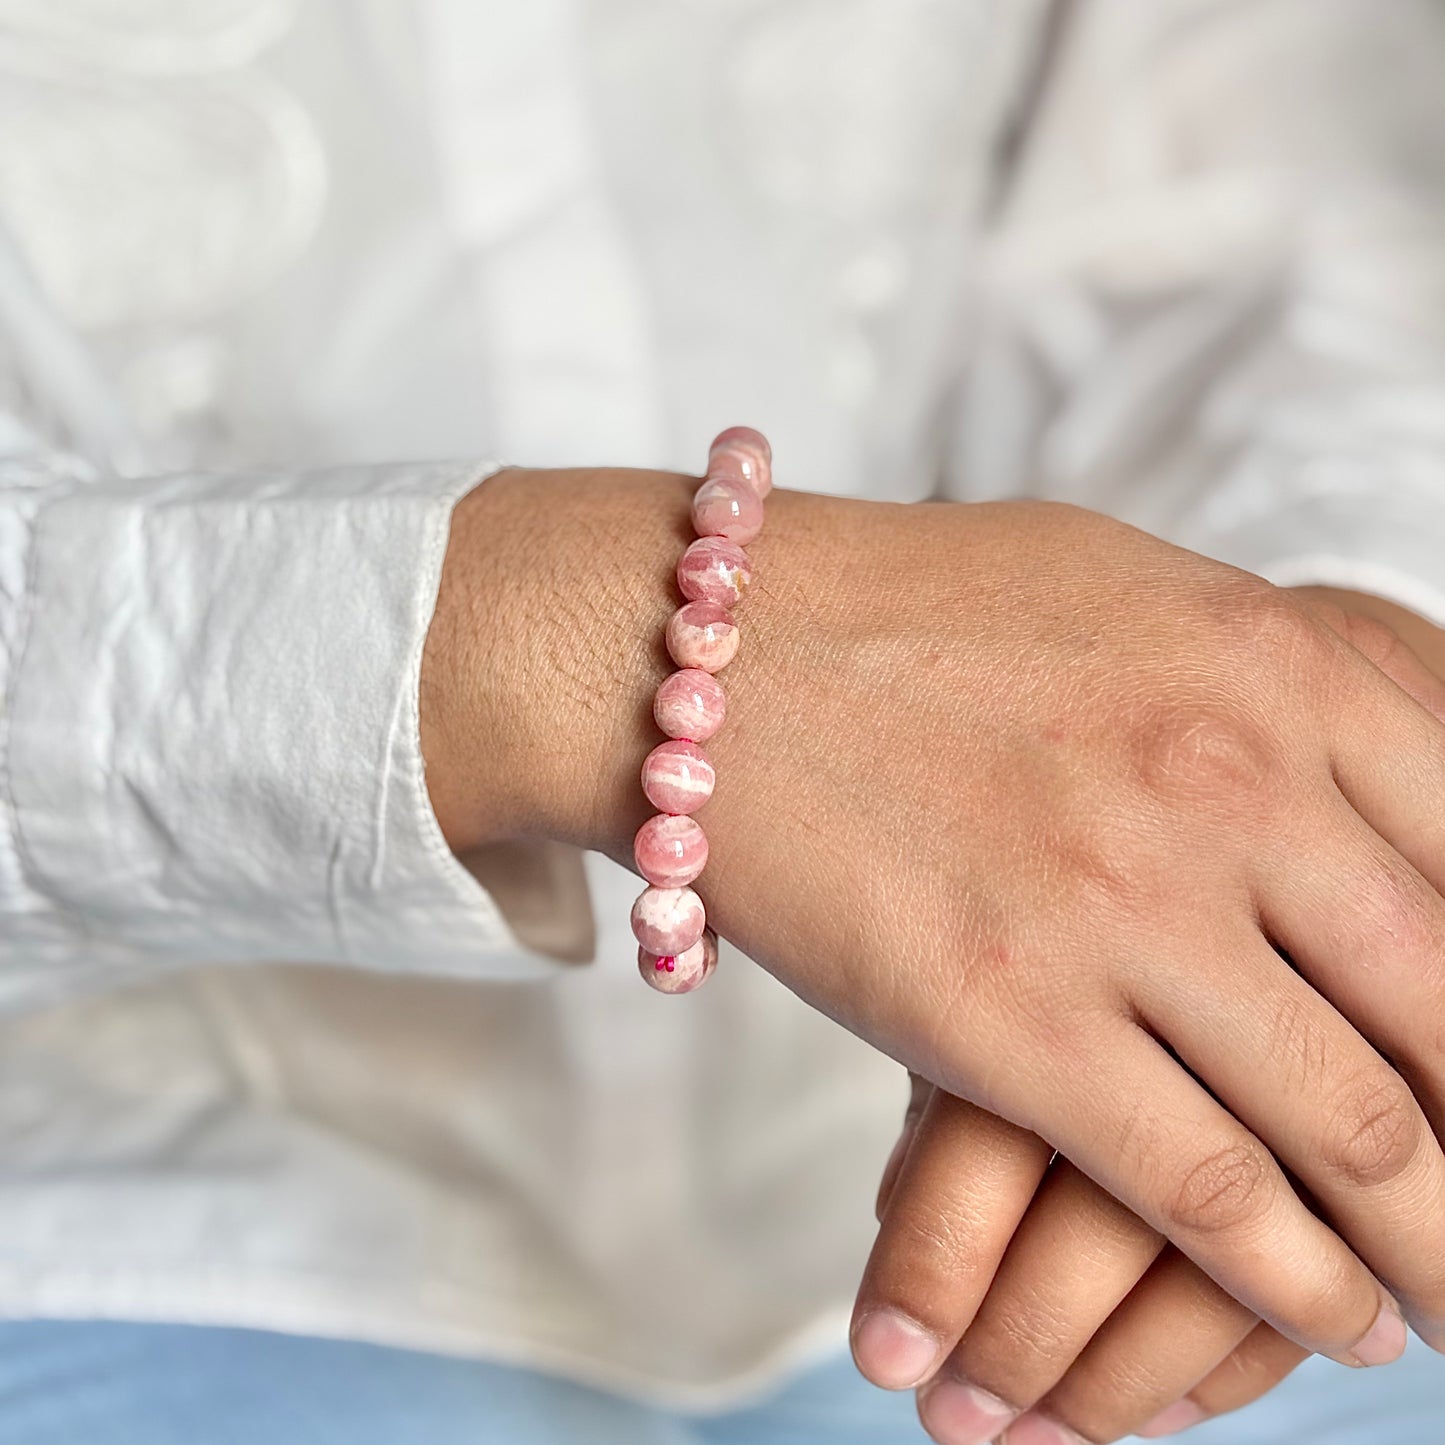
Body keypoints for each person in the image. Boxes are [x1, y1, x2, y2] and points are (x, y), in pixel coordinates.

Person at [1, 2, 1444, 1442]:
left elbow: (1260, 178)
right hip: (111, 1218)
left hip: (1068, 1137)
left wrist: (1323, 699)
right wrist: (539, 639)